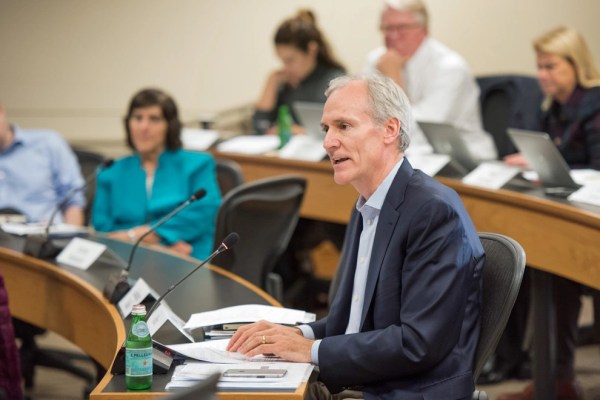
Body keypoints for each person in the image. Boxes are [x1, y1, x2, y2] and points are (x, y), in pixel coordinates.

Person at [227, 73, 485, 399]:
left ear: (390, 130)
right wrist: (293, 334)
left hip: (408, 392)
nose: (328, 142)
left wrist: (310, 349)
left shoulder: (432, 211)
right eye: (326, 129)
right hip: (363, 383)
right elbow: (352, 322)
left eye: (343, 126)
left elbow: (417, 343)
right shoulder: (367, 204)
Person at [499, 26, 600, 400]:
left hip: (590, 219)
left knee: (558, 270)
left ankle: (559, 379)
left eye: (551, 66)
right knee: (544, 264)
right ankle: (554, 378)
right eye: (539, 67)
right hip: (565, 215)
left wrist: (550, 166)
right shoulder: (553, 109)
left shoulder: (595, 104)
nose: (542, 75)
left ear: (576, 64)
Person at [91, 89, 221, 260]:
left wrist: (135, 236)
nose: (143, 127)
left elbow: (202, 213)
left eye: (154, 119)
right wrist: (157, 246)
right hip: (124, 258)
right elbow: (103, 229)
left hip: (187, 257)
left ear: (170, 126)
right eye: (137, 118)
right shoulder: (110, 172)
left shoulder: (198, 164)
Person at [366, 0, 496, 159]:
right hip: (408, 157)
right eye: (387, 28)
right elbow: (363, 115)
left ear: (423, 30)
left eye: (401, 28)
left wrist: (393, 79)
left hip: (462, 160)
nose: (392, 36)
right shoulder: (377, 60)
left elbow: (417, 133)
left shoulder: (450, 68)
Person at [252, 9, 345, 135]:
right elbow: (260, 126)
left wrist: (299, 131)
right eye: (282, 60)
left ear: (311, 50)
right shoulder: (286, 82)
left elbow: (344, 130)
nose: (286, 67)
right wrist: (272, 80)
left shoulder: (336, 81)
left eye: (290, 60)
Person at [0, 102, 85, 224]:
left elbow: (73, 198)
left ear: (1, 111)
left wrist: (70, 238)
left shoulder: (47, 142)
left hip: (43, 235)